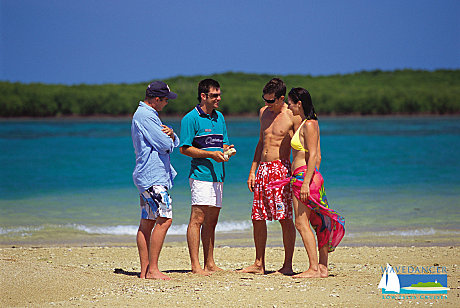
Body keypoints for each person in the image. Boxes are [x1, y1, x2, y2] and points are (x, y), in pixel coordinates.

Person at [269, 87, 345, 278]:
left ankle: (313, 268)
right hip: (306, 176)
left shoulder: (309, 124)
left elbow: (313, 156)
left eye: (291, 103)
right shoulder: (308, 123)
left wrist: (306, 182)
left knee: (301, 223)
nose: (289, 106)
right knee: (318, 220)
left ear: (299, 103)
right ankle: (322, 267)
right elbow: (317, 156)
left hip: (304, 177)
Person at [238, 78, 298, 275]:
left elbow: (301, 148)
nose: (267, 104)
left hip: (281, 170)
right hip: (262, 170)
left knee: (284, 218)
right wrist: (252, 171)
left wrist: (300, 174)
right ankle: (259, 264)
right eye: (265, 99)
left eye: (271, 101)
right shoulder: (263, 113)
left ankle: (287, 264)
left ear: (282, 98)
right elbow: (261, 143)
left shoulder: (292, 116)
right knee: (257, 217)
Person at [179, 79, 235, 275]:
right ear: (203, 96)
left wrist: (228, 150)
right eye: (214, 95)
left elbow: (223, 145)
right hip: (200, 176)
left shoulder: (219, 117)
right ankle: (195, 265)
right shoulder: (190, 118)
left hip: (218, 176)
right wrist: (211, 154)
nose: (219, 98)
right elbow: (185, 149)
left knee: (212, 221)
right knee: (197, 219)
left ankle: (209, 263)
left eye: (219, 94)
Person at [131, 81, 180, 280]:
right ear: (156, 99)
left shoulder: (146, 115)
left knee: (148, 221)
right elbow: (164, 145)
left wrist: (171, 135)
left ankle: (146, 270)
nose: (167, 103)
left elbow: (165, 140)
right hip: (153, 177)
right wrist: (173, 138)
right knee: (165, 219)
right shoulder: (146, 115)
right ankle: (152, 270)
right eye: (166, 100)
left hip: (147, 176)